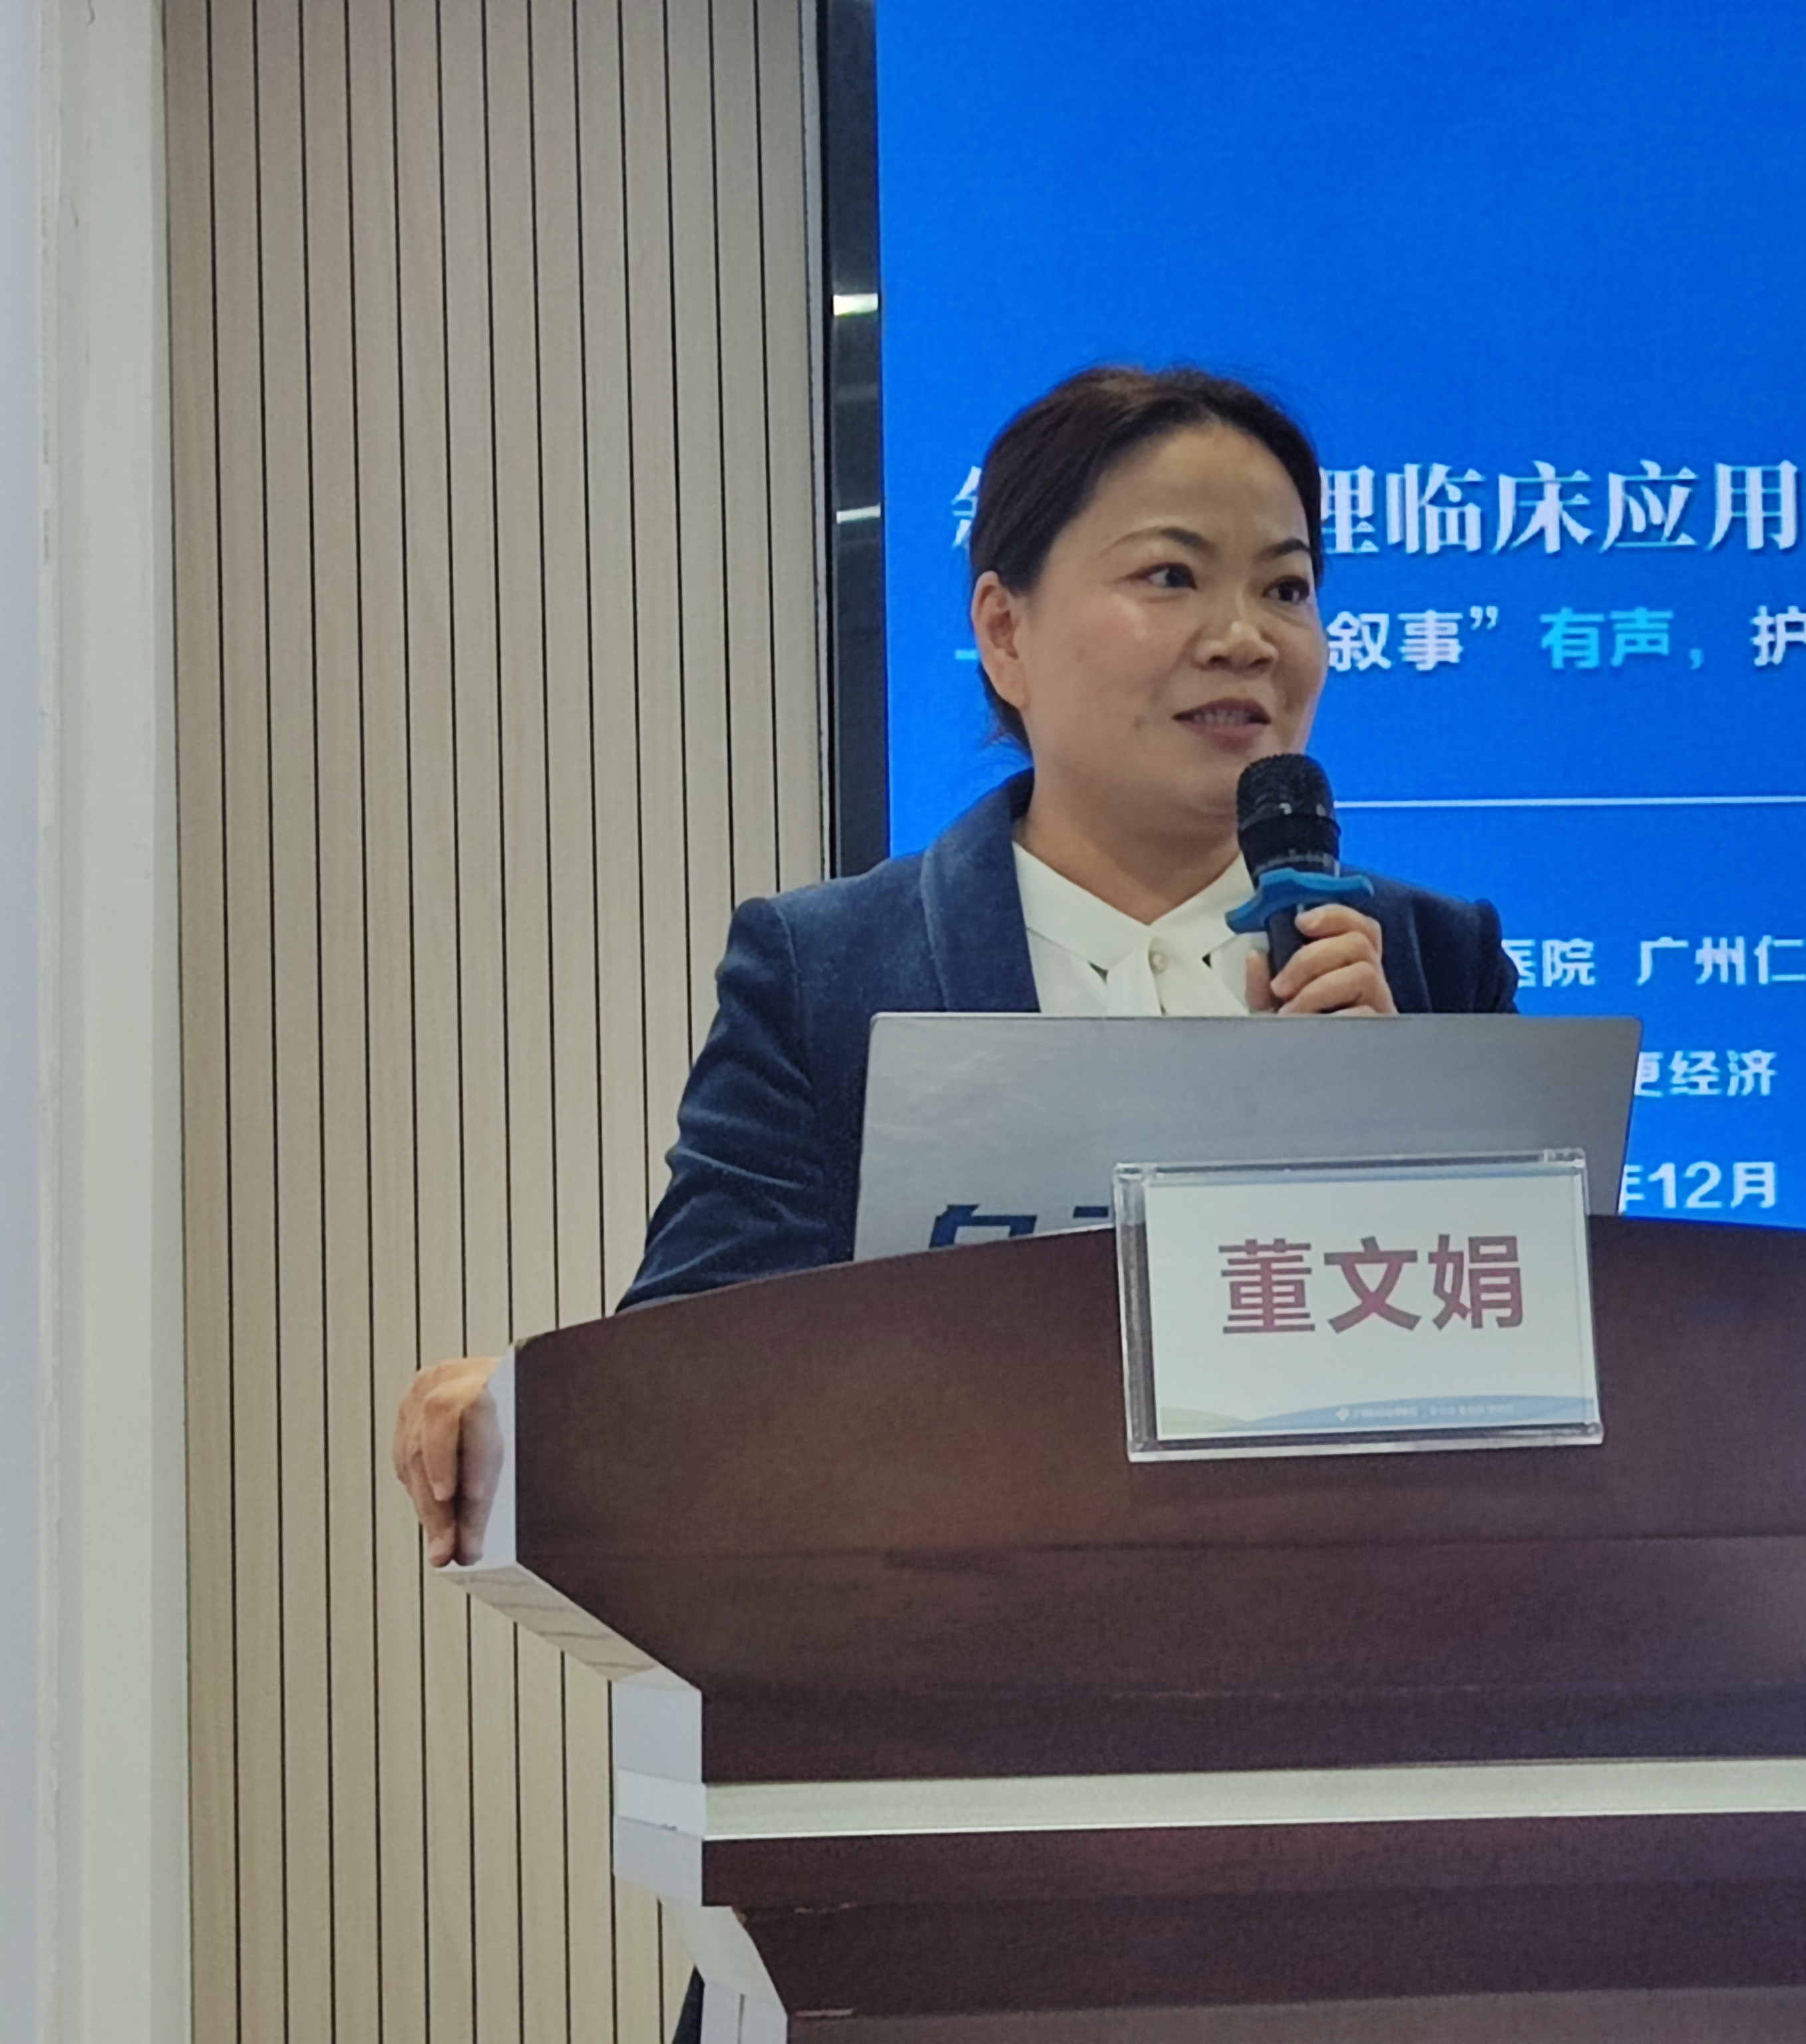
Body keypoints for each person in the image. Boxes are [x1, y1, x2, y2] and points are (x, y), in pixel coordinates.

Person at [384, 364, 1522, 2038]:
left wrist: (1397, 1124)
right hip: (913, 1846)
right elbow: (695, 1355)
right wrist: (536, 1404)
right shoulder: (831, 966)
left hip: (1322, 1851)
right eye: (1171, 576)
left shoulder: (1425, 959)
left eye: (1286, 588)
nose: (1244, 638)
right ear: (1003, 630)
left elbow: (1542, 1424)